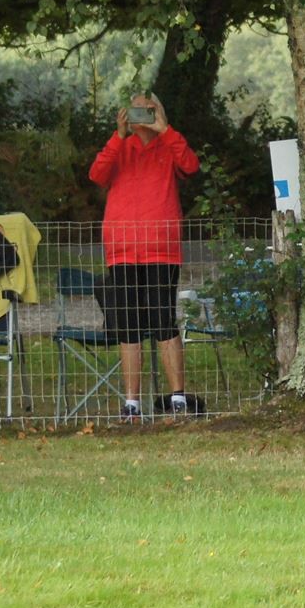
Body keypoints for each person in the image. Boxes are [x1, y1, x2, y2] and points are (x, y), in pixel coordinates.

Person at [87, 92, 200, 420]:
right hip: (122, 249)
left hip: (161, 249)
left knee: (164, 321)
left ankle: (177, 396)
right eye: (138, 109)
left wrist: (166, 129)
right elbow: (97, 174)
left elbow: (191, 166)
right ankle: (132, 402)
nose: (144, 115)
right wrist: (117, 136)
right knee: (128, 326)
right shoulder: (119, 146)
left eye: (150, 109)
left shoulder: (169, 143)